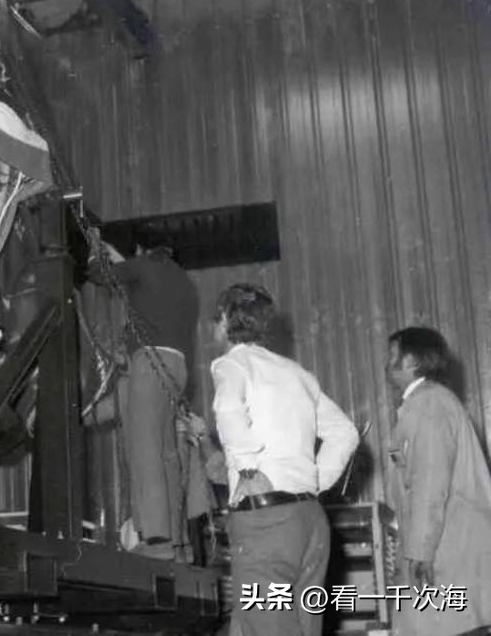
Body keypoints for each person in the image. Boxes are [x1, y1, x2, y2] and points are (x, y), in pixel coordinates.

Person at [210, 283, 358, 636]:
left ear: (227, 319)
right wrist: (314, 482)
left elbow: (228, 409)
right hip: (309, 520)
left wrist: (248, 469)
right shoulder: (298, 373)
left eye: (216, 320)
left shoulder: (232, 363)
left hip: (266, 522)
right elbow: (345, 432)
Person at [385, 327, 491, 636]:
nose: (387, 363)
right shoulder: (427, 402)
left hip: (445, 549)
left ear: (411, 361)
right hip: (445, 544)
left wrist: (421, 553)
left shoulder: (429, 404)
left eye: (392, 355)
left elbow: (429, 484)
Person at [98, 240, 199, 560]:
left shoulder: (143, 266)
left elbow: (101, 275)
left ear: (142, 251)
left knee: (145, 452)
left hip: (149, 363)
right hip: (178, 367)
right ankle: (178, 541)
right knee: (167, 454)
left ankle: (156, 540)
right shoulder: (183, 281)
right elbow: (140, 285)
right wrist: (121, 260)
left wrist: (94, 253)